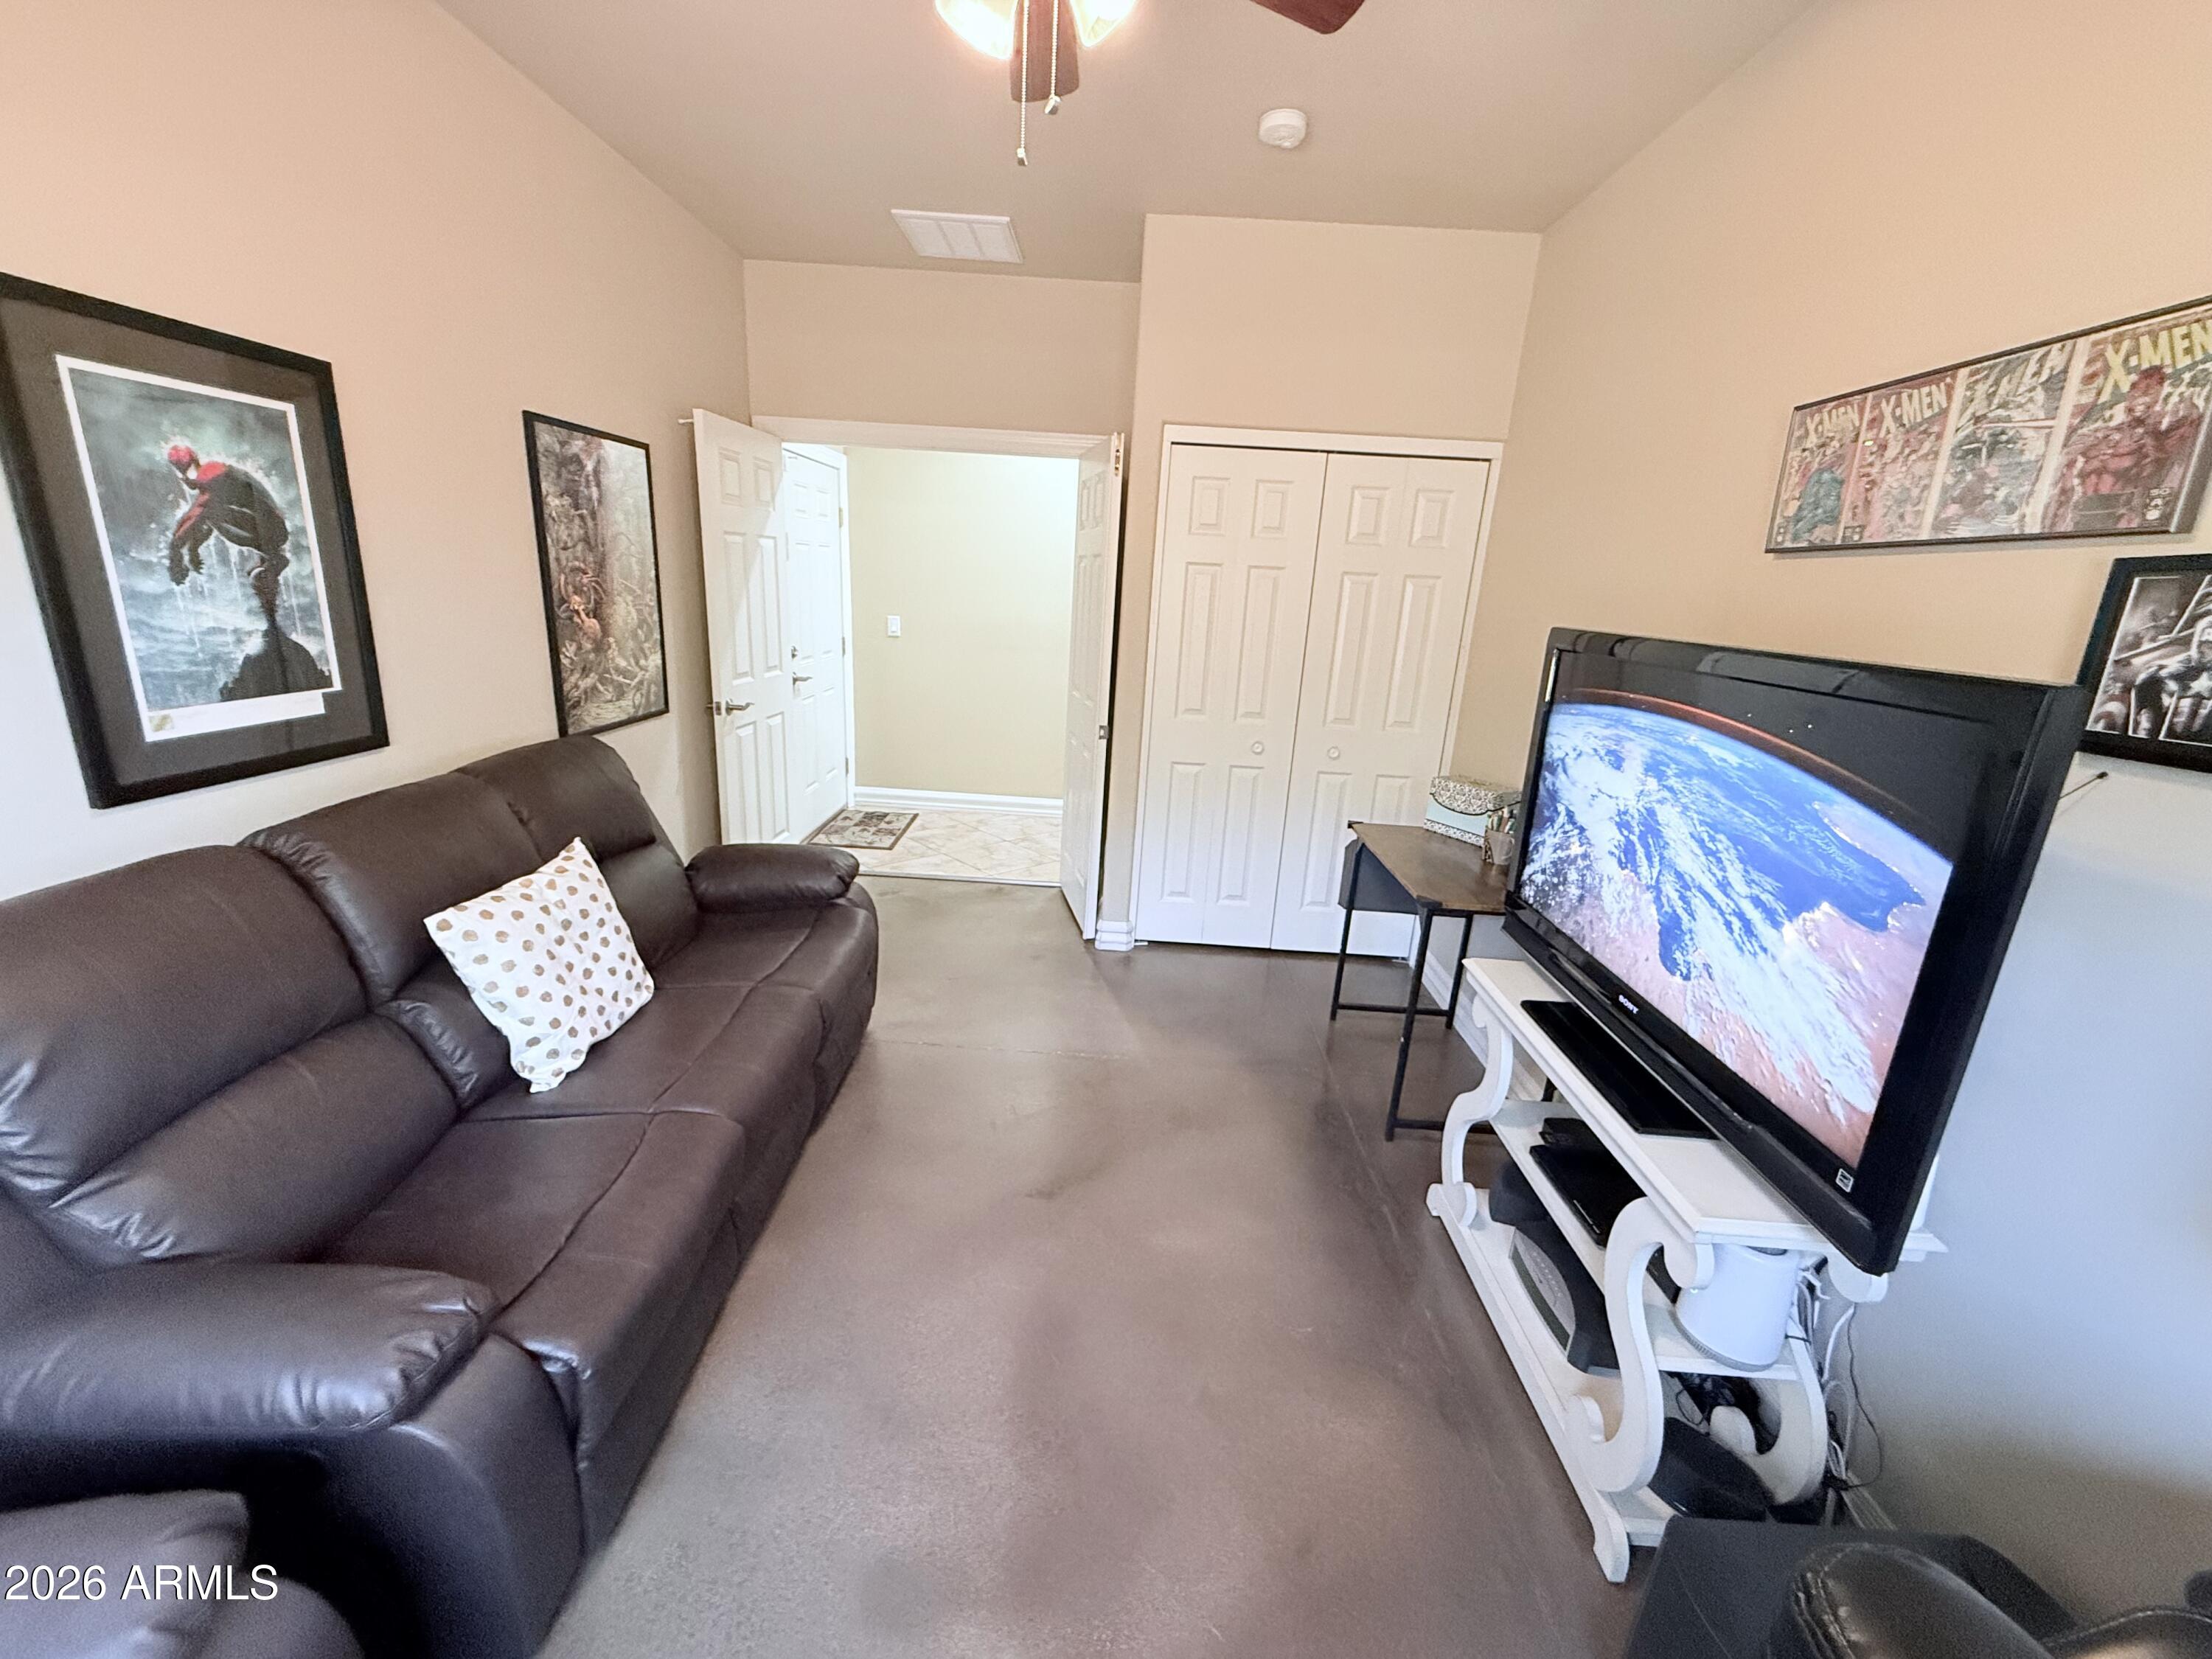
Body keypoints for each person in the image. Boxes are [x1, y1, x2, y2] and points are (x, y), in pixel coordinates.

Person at [166, 442, 291, 622]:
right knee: (210, 514)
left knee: (207, 513)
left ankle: (274, 559)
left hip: (271, 531)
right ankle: (271, 560)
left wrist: (175, 558)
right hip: (270, 527)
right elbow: (208, 518)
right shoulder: (218, 473)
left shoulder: (211, 483)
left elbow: (191, 523)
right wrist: (194, 548)